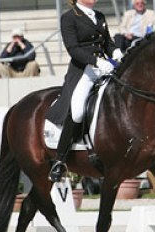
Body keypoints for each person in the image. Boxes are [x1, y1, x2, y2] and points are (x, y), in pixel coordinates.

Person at [45, 0, 123, 182]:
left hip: (104, 68)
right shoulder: (69, 18)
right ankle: (60, 160)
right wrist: (96, 62)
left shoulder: (99, 16)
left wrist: (116, 51)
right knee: (78, 111)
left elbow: (107, 43)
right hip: (83, 71)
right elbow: (73, 49)